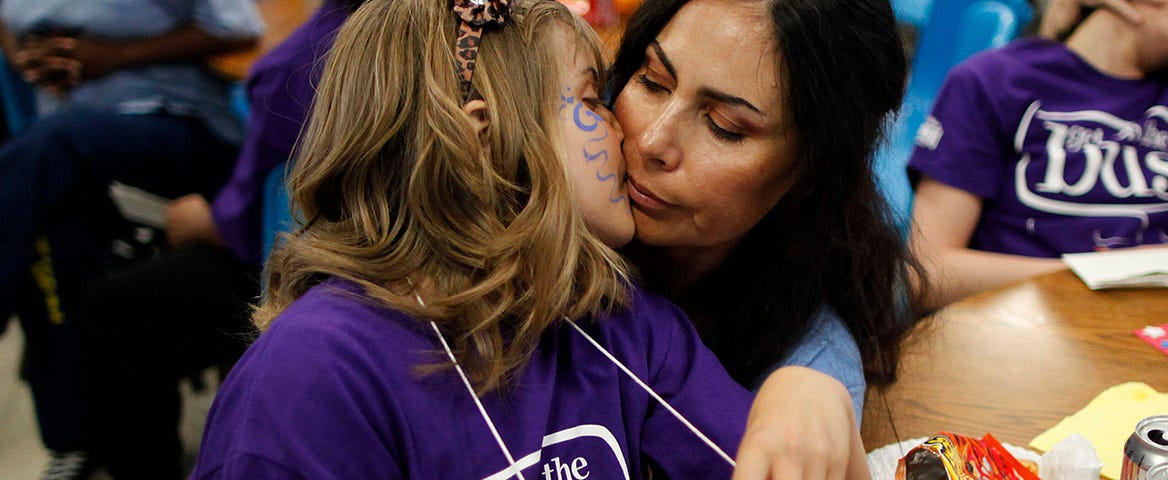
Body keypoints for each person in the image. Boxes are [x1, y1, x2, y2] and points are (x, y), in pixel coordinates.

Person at [192, 0, 758, 477]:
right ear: (478, 139)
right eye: (590, 100)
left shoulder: (620, 322)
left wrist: (809, 391)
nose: (623, 130)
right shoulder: (313, 375)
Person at [607, 0, 916, 472]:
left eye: (724, 126)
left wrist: (814, 393)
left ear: (810, 168)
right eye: (651, 81)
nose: (652, 142)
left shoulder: (809, 364)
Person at [74, 1, 360, 478]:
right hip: (341, 245)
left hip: (313, 258)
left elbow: (267, 209)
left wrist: (213, 220)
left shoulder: (308, 61)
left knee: (111, 308)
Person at [0, 1, 261, 477]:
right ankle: (78, 439)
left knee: (40, 157)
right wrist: (30, 56)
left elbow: (241, 28)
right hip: (70, 137)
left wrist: (114, 55)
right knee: (54, 233)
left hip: (174, 122)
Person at [906, 0, 1168, 311]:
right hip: (1018, 329)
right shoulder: (993, 80)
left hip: (1154, 334)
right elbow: (928, 275)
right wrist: (1105, 274)